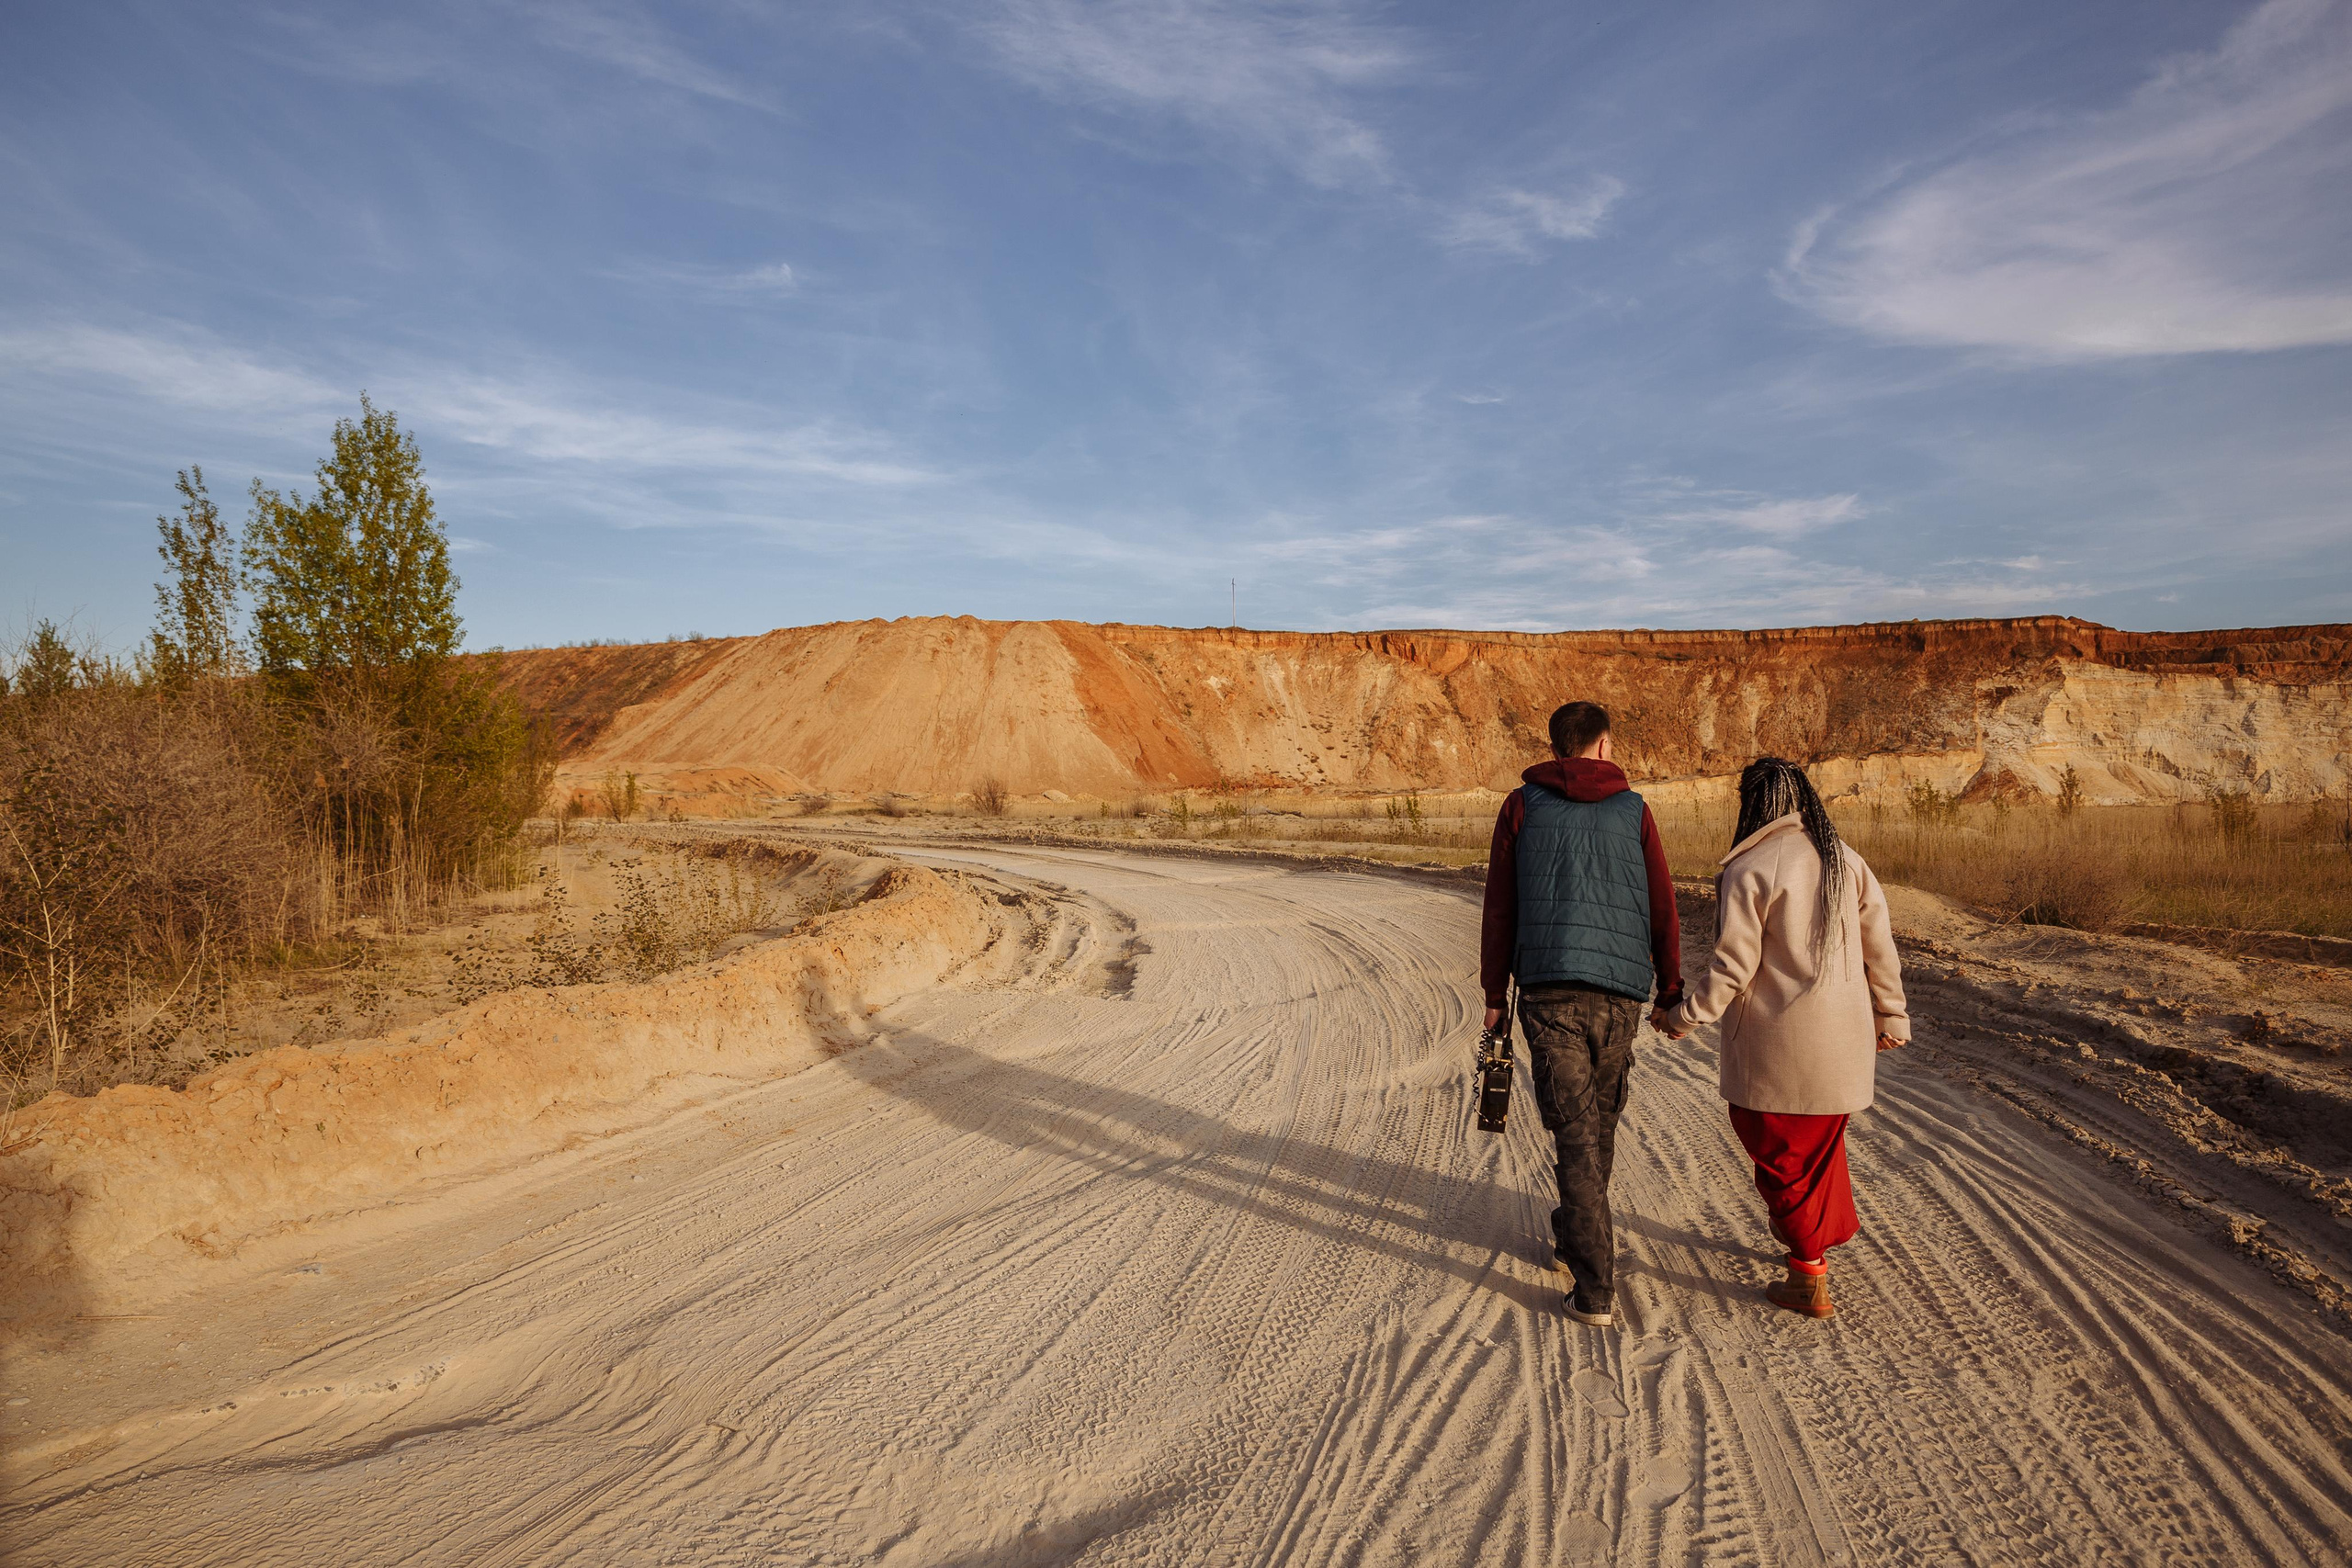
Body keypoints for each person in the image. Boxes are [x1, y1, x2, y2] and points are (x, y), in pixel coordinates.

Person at [1655, 757, 1909, 1318]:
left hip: (1776, 1050)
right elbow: (1880, 946)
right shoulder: (1847, 860)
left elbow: (1733, 967)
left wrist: (1683, 1017)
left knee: (1780, 1156)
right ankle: (1810, 1246)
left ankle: (1808, 1273)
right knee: (1815, 1153)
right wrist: (1891, 1015)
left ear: (1752, 803)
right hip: (1843, 1046)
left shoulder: (1752, 866)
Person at [1481, 701, 1684, 1328]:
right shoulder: (1635, 810)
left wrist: (1495, 996)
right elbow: (1662, 903)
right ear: (1604, 745)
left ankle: (1594, 1284)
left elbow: (1500, 908)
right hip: (1622, 992)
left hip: (1548, 992)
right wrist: (1671, 987)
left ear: (1556, 745)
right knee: (1596, 1125)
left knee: (1575, 1133)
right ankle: (1577, 1241)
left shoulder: (1521, 806)